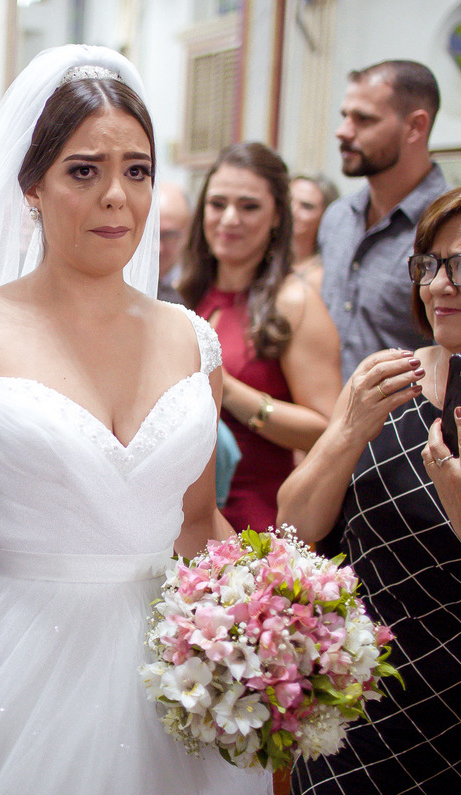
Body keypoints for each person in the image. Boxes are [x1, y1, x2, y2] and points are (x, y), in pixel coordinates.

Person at [0, 45, 273, 795]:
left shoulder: (192, 340)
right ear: (32, 185)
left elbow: (199, 521)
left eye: (137, 171)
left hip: (172, 667)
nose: (116, 197)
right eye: (84, 171)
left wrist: (273, 622)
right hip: (12, 657)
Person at [280, 183, 461, 795]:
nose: (438, 286)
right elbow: (295, 527)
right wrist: (349, 430)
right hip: (358, 729)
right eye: (428, 265)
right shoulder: (385, 380)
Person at [178, 142, 341, 533]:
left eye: (248, 207)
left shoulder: (295, 302)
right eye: (217, 204)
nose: (229, 219)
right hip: (184, 518)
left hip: (256, 525)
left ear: (276, 216)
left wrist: (228, 389)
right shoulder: (190, 294)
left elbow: (327, 430)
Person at [320, 60, 448, 380]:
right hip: (329, 409)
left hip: (410, 411)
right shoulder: (337, 217)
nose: (343, 131)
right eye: (345, 116)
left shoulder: (453, 228)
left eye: (363, 119)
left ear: (415, 126)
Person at [289, 174, 337, 294]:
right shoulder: (258, 256)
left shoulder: (324, 276)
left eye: (306, 206)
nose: (292, 211)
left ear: (326, 216)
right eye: (288, 201)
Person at [156, 179, 191, 302]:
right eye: (151, 236)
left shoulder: (196, 290)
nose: (157, 247)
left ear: (188, 235)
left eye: (168, 236)